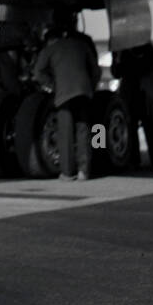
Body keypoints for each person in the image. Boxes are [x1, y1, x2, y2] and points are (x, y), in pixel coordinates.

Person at [33, 10, 99, 181]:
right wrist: (90, 87)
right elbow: (96, 69)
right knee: (84, 131)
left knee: (65, 133)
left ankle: (67, 173)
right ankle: (84, 171)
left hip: (63, 94)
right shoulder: (82, 44)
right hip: (84, 92)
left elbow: (37, 73)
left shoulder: (51, 49)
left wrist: (52, 86)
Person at [113, 41, 153, 170]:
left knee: (131, 129)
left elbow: (116, 72)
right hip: (145, 93)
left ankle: (135, 161)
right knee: (150, 129)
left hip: (129, 94)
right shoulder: (147, 47)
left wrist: (115, 58)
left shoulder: (123, 49)